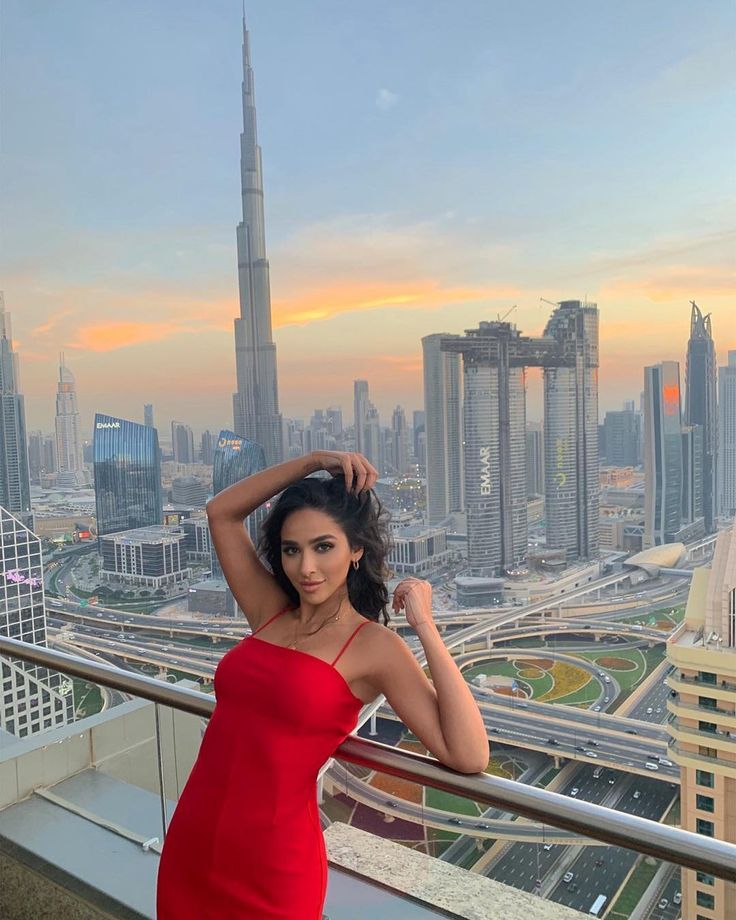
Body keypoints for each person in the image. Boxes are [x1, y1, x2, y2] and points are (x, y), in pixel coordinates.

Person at [156, 450, 488, 919]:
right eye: (292, 550)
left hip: (273, 867)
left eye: (323, 547)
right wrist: (313, 461)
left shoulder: (374, 647)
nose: (305, 567)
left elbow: (468, 755)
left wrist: (426, 626)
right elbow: (221, 513)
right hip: (194, 842)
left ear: (357, 551)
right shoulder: (270, 612)